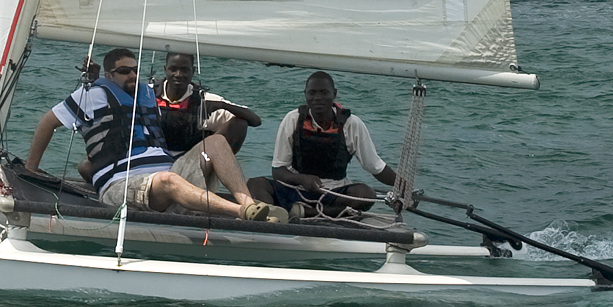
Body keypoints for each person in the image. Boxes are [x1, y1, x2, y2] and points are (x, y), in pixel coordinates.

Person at [24, 48, 282, 222]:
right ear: (109, 75)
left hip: (170, 174)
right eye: (124, 71)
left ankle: (249, 204)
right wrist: (31, 170)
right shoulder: (91, 95)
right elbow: (47, 123)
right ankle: (240, 213)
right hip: (123, 185)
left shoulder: (147, 94)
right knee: (167, 180)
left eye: (135, 70)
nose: (132, 75)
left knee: (215, 141)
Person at [259, 70, 398, 218]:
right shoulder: (293, 119)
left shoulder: (351, 124)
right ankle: (273, 217)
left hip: (335, 193)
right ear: (305, 95)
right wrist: (302, 179)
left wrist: (403, 187)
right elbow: (278, 170)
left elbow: (376, 167)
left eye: (324, 93)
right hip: (297, 190)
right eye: (312, 93)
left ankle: (303, 212)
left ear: (334, 94)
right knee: (257, 184)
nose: (318, 98)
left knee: (367, 194)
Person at [153, 49, 260, 163]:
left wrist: (222, 105)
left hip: (190, 163)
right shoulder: (147, 95)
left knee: (240, 123)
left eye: (184, 70)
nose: (178, 74)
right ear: (165, 69)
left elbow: (255, 120)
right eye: (173, 69)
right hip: (152, 158)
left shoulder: (205, 101)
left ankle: (218, 166)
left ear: (193, 71)